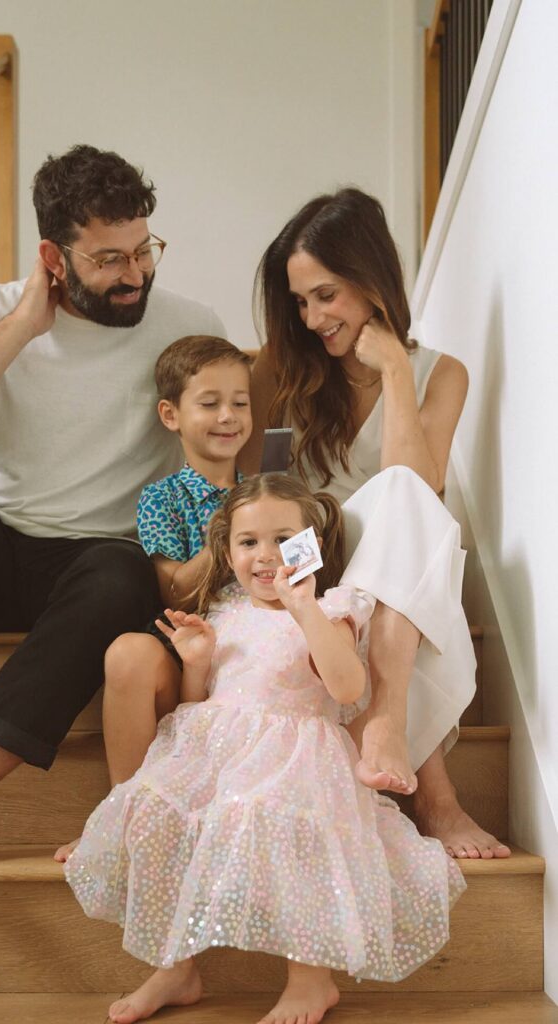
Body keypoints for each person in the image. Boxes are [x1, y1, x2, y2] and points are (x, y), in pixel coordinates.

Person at [0, 144, 224, 875]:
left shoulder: (188, 323)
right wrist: (24, 327)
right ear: (53, 256)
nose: (134, 275)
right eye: (107, 259)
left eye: (143, 249)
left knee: (119, 570)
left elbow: (225, 432)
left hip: (105, 569)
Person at [64, 474, 466, 1024]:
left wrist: (304, 607)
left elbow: (348, 688)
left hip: (296, 755)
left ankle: (311, 977)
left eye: (283, 539)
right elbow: (195, 703)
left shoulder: (332, 610)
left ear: (311, 547)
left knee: (283, 822)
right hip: (214, 748)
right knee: (157, 810)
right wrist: (198, 662)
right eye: (249, 542)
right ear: (227, 554)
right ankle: (174, 964)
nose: (266, 555)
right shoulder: (225, 611)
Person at [239, 187, 510, 859]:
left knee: (409, 510)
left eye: (325, 295)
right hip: (307, 551)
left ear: (370, 279)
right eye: (300, 301)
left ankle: (389, 725)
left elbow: (417, 486)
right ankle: (434, 794)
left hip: (392, 561)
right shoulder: (284, 364)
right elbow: (248, 485)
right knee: (416, 539)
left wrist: (393, 369)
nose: (311, 317)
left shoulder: (439, 373)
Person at [54, 332, 252, 862]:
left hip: (255, 657)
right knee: (127, 652)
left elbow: (302, 578)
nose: (228, 416)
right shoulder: (162, 498)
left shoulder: (272, 491)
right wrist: (229, 525)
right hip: (186, 650)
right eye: (209, 403)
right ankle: (128, 813)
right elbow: (174, 590)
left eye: (240, 402)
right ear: (171, 415)